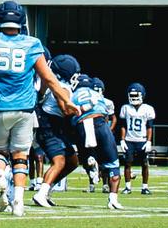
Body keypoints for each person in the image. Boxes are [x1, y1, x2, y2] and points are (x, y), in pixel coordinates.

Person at [0, 0, 77, 217]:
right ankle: (18, 202)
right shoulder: (33, 44)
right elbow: (49, 78)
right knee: (20, 156)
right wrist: (65, 99)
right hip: (25, 108)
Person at [29, 54, 82, 208]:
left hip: (56, 127)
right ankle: (41, 194)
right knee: (59, 161)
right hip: (49, 126)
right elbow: (64, 109)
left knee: (72, 162)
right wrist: (82, 109)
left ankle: (48, 188)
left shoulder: (56, 83)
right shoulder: (62, 87)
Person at [70, 71, 124, 209]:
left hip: (81, 125)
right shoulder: (98, 95)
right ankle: (113, 199)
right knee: (113, 164)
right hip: (100, 123)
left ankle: (91, 162)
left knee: (86, 155)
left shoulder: (71, 95)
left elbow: (68, 115)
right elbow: (107, 116)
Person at [118, 83, 155, 194]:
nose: (133, 98)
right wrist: (122, 139)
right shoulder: (125, 108)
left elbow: (149, 127)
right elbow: (123, 125)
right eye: (132, 95)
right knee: (127, 163)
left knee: (144, 163)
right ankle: (128, 187)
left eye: (136, 95)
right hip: (129, 140)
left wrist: (148, 141)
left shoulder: (148, 109)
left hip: (142, 140)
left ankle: (145, 187)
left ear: (142, 95)